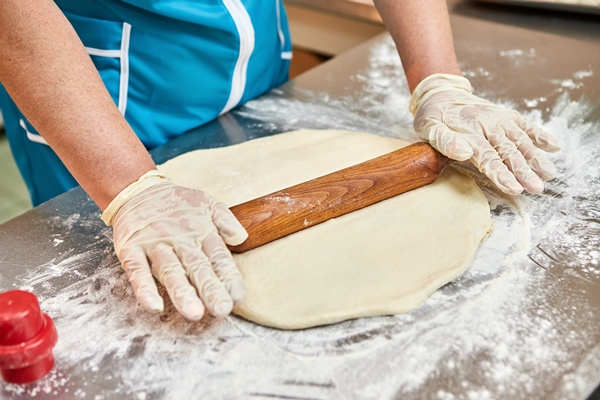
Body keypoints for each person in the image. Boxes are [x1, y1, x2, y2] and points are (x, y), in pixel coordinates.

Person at [0, 0, 560, 321]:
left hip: (246, 52)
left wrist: (437, 78)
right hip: (97, 94)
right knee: (122, 265)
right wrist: (130, 190)